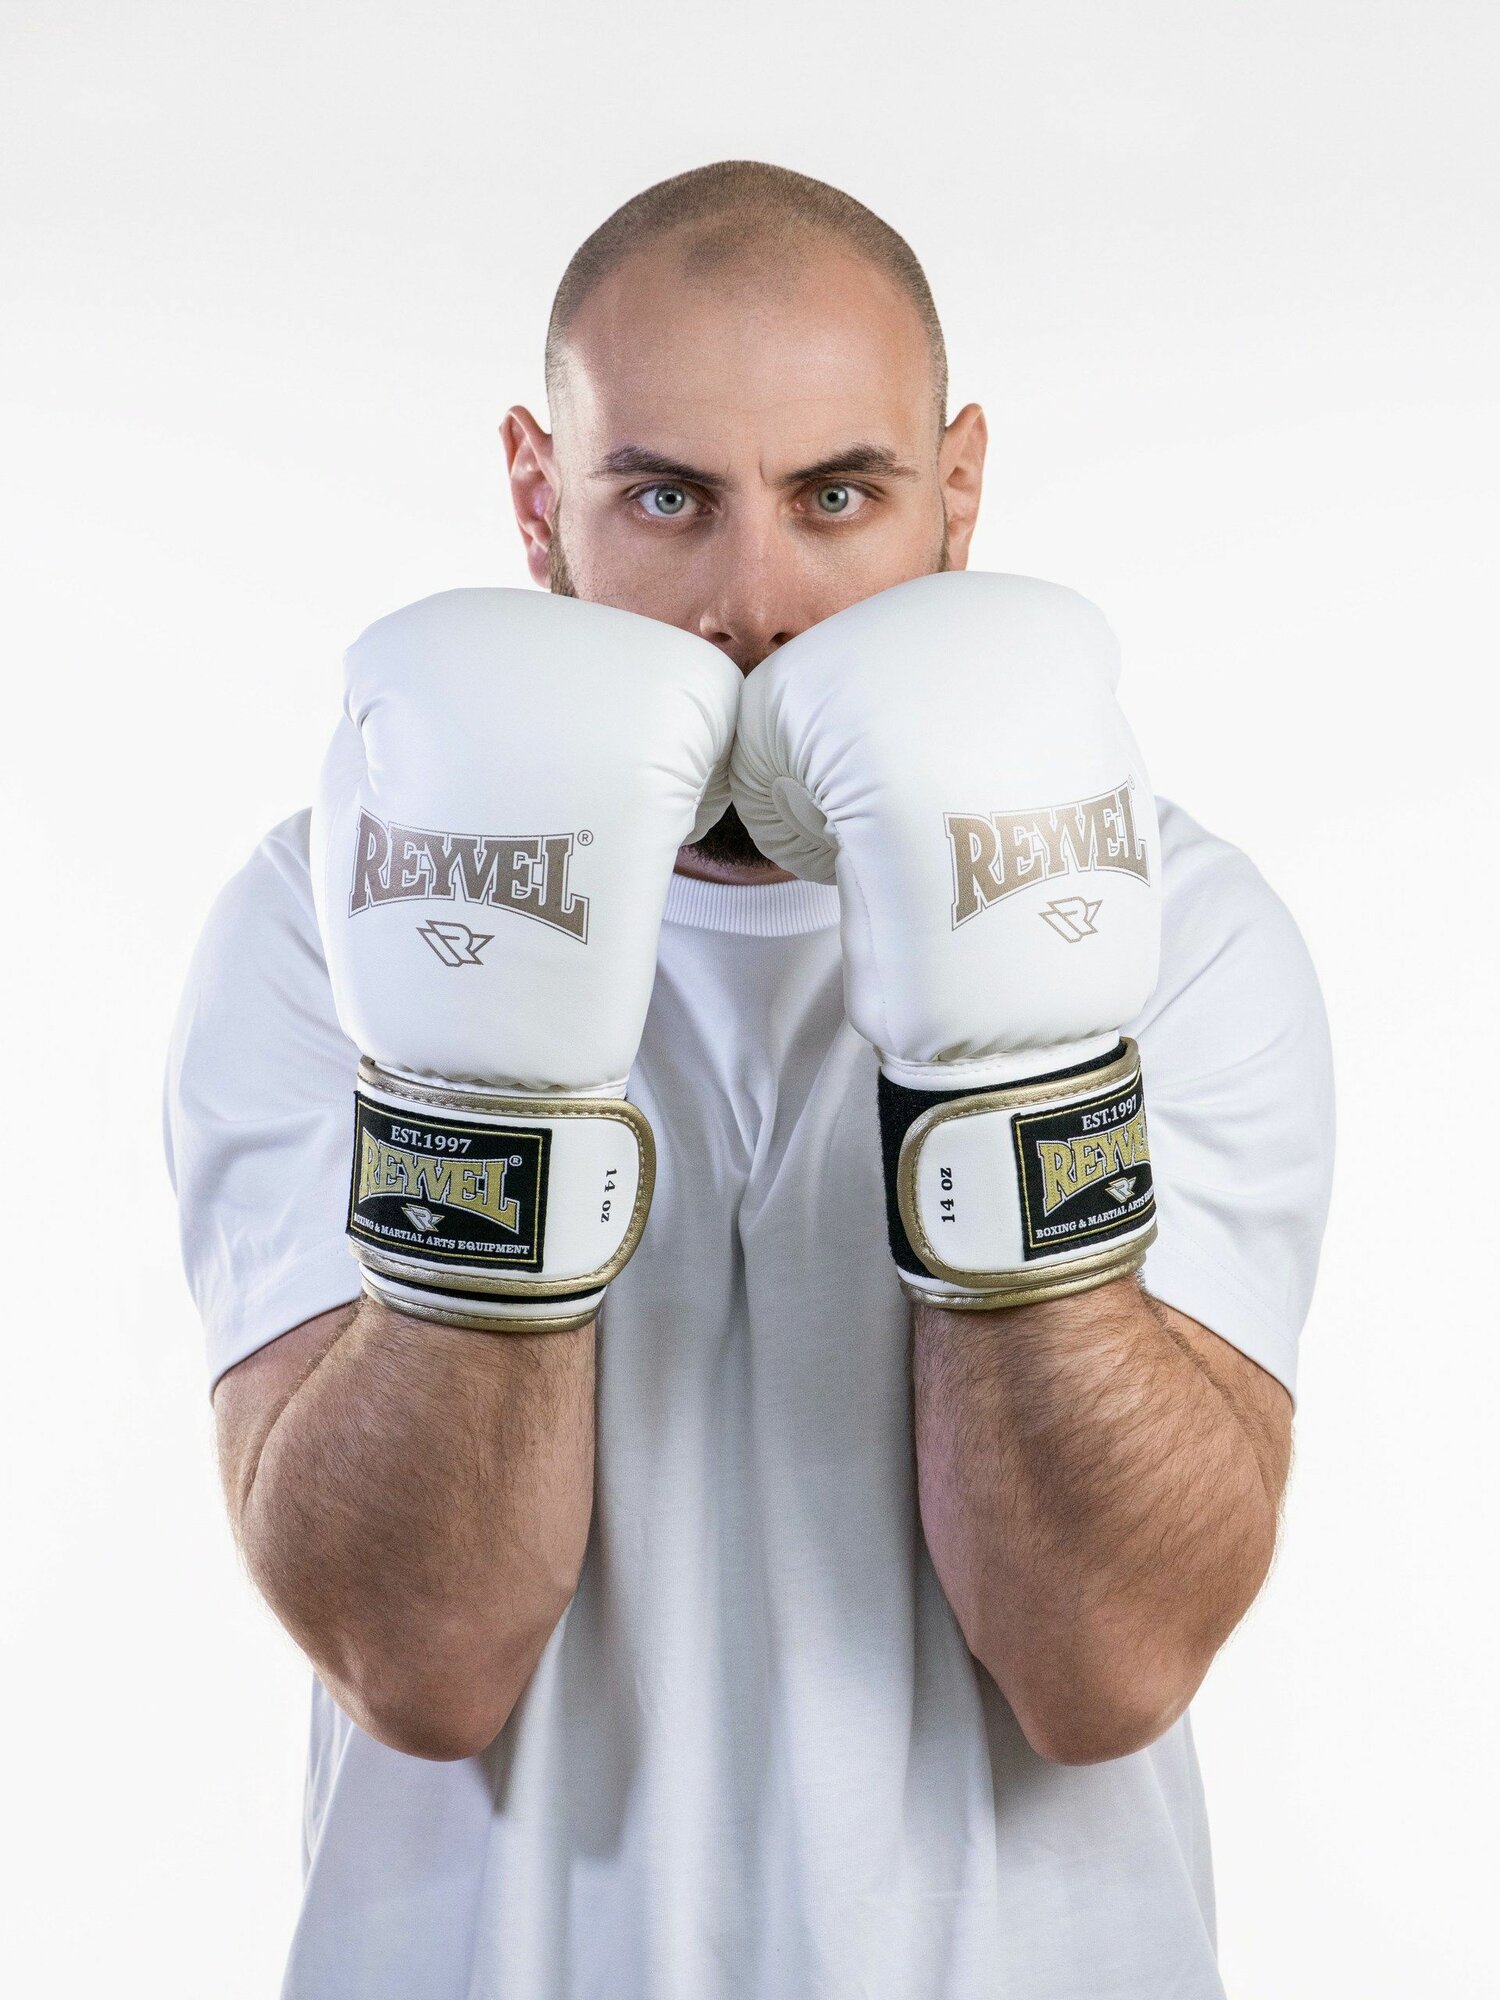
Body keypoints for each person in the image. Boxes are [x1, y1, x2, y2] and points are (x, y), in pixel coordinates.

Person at [164, 161, 1335, 2000]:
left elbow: (1104, 1666)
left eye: (837, 497)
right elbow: (421, 1658)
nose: (757, 603)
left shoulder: (1169, 931)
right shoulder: (335, 920)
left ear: (957, 491)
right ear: (539, 497)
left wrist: (1017, 1060)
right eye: (668, 499)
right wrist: (495, 1083)